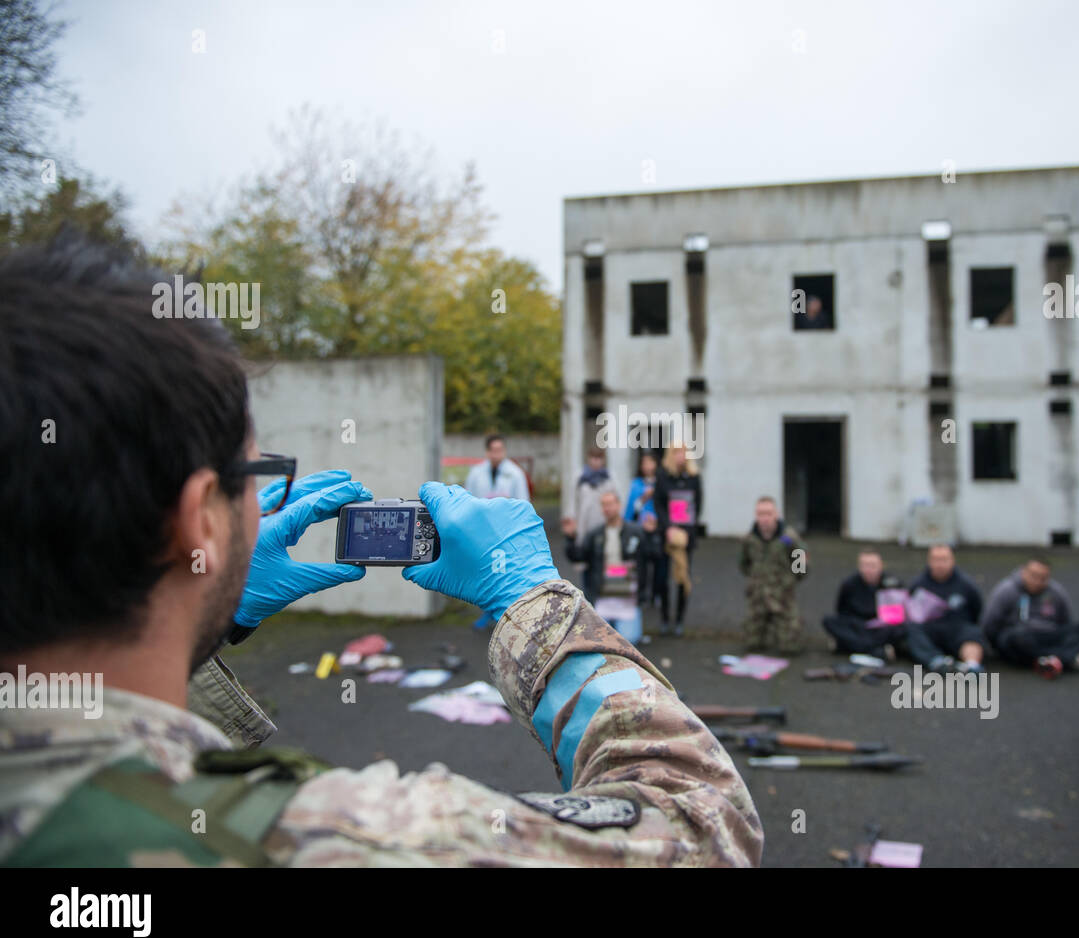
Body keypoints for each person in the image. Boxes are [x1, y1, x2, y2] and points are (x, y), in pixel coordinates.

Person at [0, 236, 763, 867]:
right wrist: (533, 602)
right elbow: (702, 822)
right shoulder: (336, 842)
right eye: (254, 474)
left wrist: (203, 627)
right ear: (200, 517)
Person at [562, 491, 657, 645]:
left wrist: (652, 534)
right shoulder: (594, 535)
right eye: (604, 505)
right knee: (601, 641)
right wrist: (570, 538)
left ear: (619, 505)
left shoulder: (636, 532)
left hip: (628, 597)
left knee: (628, 641)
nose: (607, 508)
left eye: (611, 504)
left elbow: (654, 555)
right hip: (603, 596)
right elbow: (578, 556)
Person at [981, 558, 1079, 678]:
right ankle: (1065, 658)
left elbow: (1066, 621)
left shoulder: (1056, 592)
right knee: (1014, 639)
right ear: (1023, 572)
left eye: (1043, 578)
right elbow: (990, 624)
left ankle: (1047, 660)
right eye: (1033, 576)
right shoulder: (1006, 590)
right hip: (1019, 636)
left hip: (1046, 635)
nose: (1037, 581)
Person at [464, 433, 531, 628]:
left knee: (505, 573)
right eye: (493, 450)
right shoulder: (476, 472)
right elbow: (469, 501)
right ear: (487, 452)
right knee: (486, 574)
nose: (497, 454)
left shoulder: (515, 473)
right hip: (484, 533)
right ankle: (488, 612)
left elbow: (523, 503)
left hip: (506, 533)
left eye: (500, 450)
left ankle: (505, 614)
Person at [739, 497, 808, 654]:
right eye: (760, 514)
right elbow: (743, 564)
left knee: (790, 648)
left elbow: (802, 566)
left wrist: (788, 581)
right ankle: (763, 630)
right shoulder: (749, 539)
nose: (764, 518)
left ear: (776, 514)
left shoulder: (789, 538)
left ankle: (784, 629)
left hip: (782, 596)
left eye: (768, 513)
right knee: (752, 644)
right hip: (758, 596)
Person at [904, 544, 986, 673]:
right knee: (912, 630)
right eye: (936, 560)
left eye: (944, 560)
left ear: (952, 561)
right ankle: (936, 661)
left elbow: (976, 608)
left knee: (973, 633)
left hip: (957, 628)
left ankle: (972, 666)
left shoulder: (966, 585)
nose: (940, 564)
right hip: (931, 629)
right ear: (929, 562)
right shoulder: (918, 585)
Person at [652, 442, 702, 636]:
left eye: (683, 452)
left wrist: (686, 532)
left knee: (683, 578)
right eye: (676, 452)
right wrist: (668, 528)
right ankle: (664, 618)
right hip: (666, 534)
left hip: (686, 535)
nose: (680, 456)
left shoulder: (694, 478)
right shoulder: (663, 476)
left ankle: (679, 619)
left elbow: (697, 506)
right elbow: (658, 503)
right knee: (662, 578)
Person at [822, 550, 907, 658]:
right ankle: (875, 650)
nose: (869, 570)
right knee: (829, 621)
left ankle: (845, 645)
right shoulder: (849, 584)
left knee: (903, 629)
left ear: (881, 566)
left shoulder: (893, 583)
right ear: (859, 567)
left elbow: (898, 614)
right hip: (858, 625)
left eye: (872, 566)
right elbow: (841, 611)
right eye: (865, 565)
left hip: (881, 627)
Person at [572, 446, 619, 543]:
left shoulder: (609, 476)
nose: (596, 461)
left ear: (603, 459)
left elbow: (617, 499)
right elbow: (574, 501)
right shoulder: (580, 477)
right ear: (588, 458)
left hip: (604, 519)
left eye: (599, 458)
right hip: (584, 520)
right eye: (593, 457)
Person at [624, 452, 658, 525]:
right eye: (645, 463)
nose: (648, 466)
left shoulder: (660, 483)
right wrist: (644, 497)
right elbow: (632, 509)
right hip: (640, 524)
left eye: (650, 462)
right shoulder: (636, 484)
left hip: (657, 524)